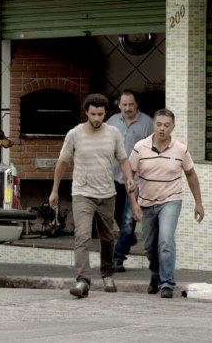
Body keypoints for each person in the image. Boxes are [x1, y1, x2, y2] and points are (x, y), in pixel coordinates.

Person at [48, 93, 135, 298]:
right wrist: (54, 190)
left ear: (106, 113)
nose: (97, 118)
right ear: (86, 112)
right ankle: (82, 281)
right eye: (93, 114)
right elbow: (62, 162)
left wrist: (129, 177)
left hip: (107, 193)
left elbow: (123, 159)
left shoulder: (113, 133)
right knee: (82, 236)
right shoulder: (75, 134)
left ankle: (107, 273)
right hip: (82, 193)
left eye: (101, 114)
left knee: (107, 238)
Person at [128, 108, 204, 299]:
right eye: (159, 124)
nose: (162, 129)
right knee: (149, 246)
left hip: (171, 201)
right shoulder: (140, 148)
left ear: (173, 127)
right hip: (146, 202)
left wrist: (198, 203)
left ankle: (167, 283)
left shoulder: (180, 149)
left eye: (167, 125)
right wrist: (133, 203)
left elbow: (191, 175)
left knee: (166, 240)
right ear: (154, 125)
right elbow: (129, 176)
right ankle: (156, 275)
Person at [105, 90, 153, 273]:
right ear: (119, 105)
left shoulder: (147, 124)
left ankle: (118, 258)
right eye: (124, 105)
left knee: (128, 219)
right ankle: (129, 237)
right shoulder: (112, 122)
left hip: (137, 180)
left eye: (130, 104)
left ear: (136, 104)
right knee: (116, 215)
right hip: (114, 178)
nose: (127, 108)